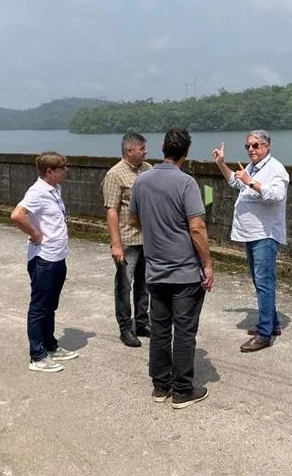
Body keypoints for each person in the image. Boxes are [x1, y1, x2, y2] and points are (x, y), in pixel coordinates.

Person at [129, 127, 214, 409]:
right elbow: (197, 227)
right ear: (186, 153)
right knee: (185, 330)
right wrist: (208, 264)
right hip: (185, 271)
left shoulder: (141, 181)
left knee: (160, 328)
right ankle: (182, 390)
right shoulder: (186, 183)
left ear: (163, 147)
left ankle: (160, 385)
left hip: (155, 269)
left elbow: (133, 221)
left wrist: (156, 231)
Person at [211, 130, 289, 353]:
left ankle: (264, 334)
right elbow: (236, 183)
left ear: (267, 146)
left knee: (264, 283)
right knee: (260, 281)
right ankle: (272, 323)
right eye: (248, 146)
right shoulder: (254, 168)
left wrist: (251, 182)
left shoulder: (276, 169)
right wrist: (221, 164)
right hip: (251, 233)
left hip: (265, 234)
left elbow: (276, 195)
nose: (251, 150)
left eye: (255, 145)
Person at [10, 151, 79, 373]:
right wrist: (35, 234)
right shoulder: (37, 191)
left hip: (58, 255)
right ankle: (37, 355)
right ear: (50, 171)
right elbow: (17, 215)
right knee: (39, 307)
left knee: (51, 305)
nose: (66, 170)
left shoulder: (55, 189)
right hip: (44, 258)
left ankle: (50, 344)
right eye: (63, 167)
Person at [102, 131, 152, 348]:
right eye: (142, 148)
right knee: (124, 285)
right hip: (127, 240)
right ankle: (125, 327)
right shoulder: (115, 174)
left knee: (145, 284)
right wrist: (116, 244)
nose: (145, 151)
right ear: (130, 150)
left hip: (147, 238)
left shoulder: (148, 170)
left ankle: (142, 321)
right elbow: (111, 210)